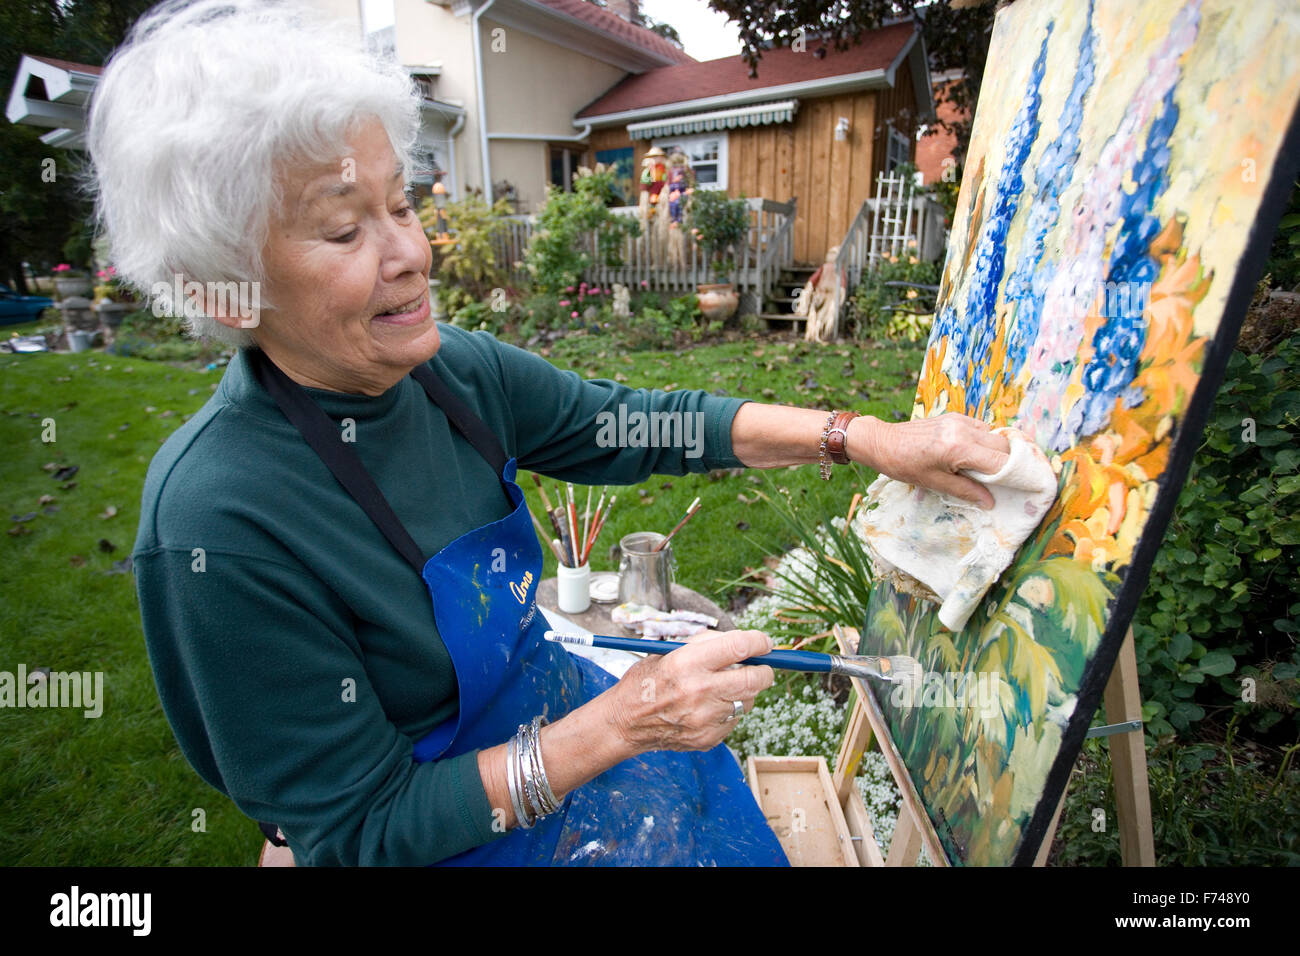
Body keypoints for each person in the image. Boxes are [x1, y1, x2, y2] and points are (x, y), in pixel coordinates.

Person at [93, 0, 1010, 866]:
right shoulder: (219, 524)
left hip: (548, 709)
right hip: (444, 823)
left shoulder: (452, 372)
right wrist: (624, 723)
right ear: (227, 289)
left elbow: (645, 424)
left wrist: (864, 438)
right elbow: (360, 831)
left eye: (402, 205)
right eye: (343, 231)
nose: (411, 251)